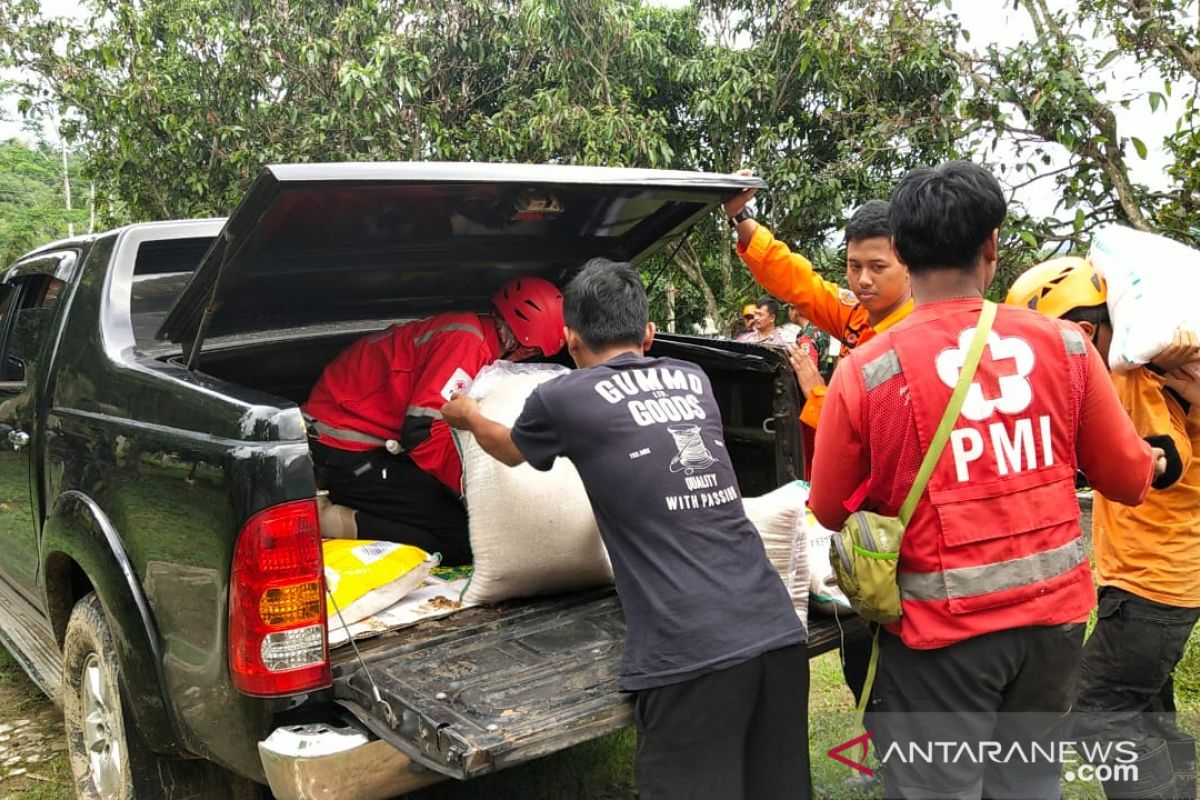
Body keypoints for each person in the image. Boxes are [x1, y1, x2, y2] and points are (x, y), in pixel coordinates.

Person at [808, 161, 1160, 799]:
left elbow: (830, 508)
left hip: (941, 637)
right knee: (1028, 785)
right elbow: (1130, 479)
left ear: (905, 255)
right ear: (992, 245)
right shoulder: (1070, 347)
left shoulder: (868, 371)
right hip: (1052, 627)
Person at [442, 258, 810, 800]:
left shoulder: (565, 395)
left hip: (690, 654)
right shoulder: (694, 377)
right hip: (776, 630)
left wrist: (469, 415)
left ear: (570, 341)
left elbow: (507, 449)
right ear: (649, 334)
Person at [1007, 256, 1200, 798]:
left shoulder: (1126, 374)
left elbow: (1169, 452)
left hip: (1153, 585)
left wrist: (1142, 460)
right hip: (1162, 577)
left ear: (1082, 332)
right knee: (1147, 709)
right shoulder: (1145, 368)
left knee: (1096, 717)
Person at [724, 187, 910, 705]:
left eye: (878, 267)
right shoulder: (859, 316)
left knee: (888, 643)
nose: (863, 281)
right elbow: (800, 283)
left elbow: (880, 437)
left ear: (911, 265)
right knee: (859, 635)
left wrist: (818, 393)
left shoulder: (909, 337)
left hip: (893, 518)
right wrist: (742, 219)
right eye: (854, 266)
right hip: (856, 515)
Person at [302, 276, 565, 565]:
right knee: (467, 541)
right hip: (345, 450)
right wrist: (471, 485)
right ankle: (330, 522)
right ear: (525, 348)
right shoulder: (467, 343)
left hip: (372, 440)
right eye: (532, 353)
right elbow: (421, 431)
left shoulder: (474, 334)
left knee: (459, 515)